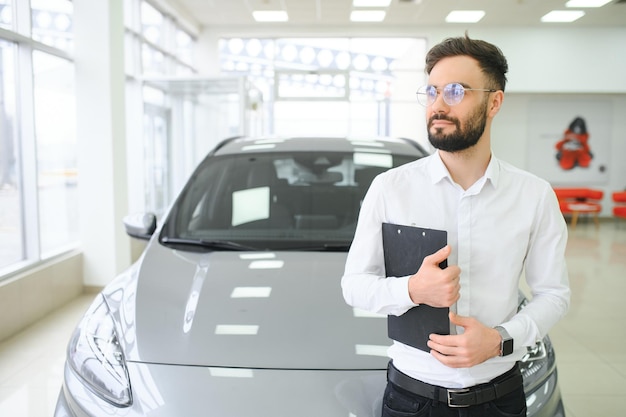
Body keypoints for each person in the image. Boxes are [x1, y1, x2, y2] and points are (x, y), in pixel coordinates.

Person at [341, 34, 570, 416]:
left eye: (455, 91)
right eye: (431, 92)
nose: (438, 105)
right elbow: (354, 286)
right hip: (410, 399)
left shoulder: (533, 195)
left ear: (494, 101)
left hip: (499, 398)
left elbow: (554, 294)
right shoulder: (390, 188)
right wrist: (413, 289)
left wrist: (500, 340)